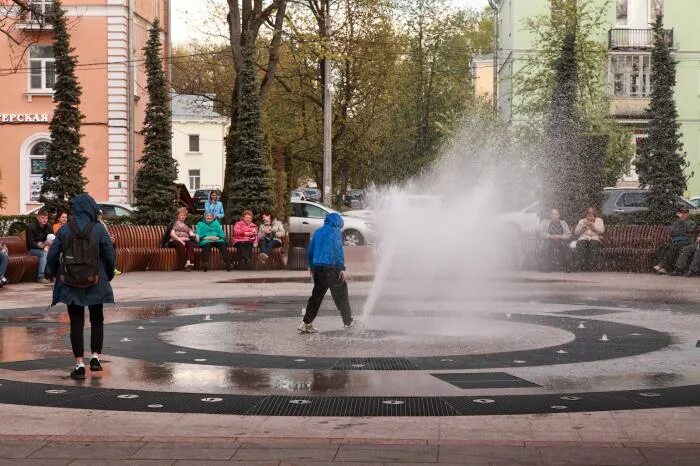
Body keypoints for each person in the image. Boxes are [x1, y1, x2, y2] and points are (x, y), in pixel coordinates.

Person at [47, 194, 116, 380]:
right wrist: (108, 274)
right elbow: (109, 254)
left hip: (70, 282)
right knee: (97, 319)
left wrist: (56, 273)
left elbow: (52, 255)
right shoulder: (98, 229)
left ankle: (79, 364)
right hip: (96, 279)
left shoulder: (65, 230)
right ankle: (95, 357)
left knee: (76, 322)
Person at [298, 212, 354, 333]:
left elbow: (310, 252)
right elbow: (338, 251)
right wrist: (342, 268)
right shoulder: (336, 232)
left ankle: (306, 323)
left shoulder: (318, 232)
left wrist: (312, 268)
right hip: (332, 268)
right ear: (338, 222)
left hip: (318, 268)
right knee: (341, 295)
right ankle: (348, 323)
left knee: (316, 297)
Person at [655, 205, 696, 275]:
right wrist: (680, 222)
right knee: (663, 247)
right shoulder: (676, 222)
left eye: (685, 212)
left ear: (688, 214)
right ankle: (666, 268)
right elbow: (673, 232)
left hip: (687, 241)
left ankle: (662, 266)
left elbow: (689, 229)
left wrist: (682, 222)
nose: (684, 214)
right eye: (682, 212)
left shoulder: (691, 222)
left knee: (674, 247)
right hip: (677, 241)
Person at [26, 209, 53, 284]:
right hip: (32, 250)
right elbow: (30, 243)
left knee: (53, 252)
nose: (45, 220)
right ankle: (40, 276)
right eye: (42, 218)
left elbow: (52, 238)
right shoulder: (31, 227)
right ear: (38, 217)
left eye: (46, 218)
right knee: (44, 253)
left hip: (45, 247)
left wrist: (49, 245)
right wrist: (43, 246)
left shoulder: (48, 226)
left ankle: (50, 274)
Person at [574, 207, 605, 272]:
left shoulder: (599, 220)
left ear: (595, 214)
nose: (590, 215)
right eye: (588, 213)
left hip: (595, 238)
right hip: (584, 237)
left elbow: (601, 231)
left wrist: (593, 226)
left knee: (593, 244)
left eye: (592, 213)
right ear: (586, 214)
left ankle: (591, 266)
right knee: (580, 244)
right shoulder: (582, 221)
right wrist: (583, 227)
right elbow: (576, 232)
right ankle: (579, 265)